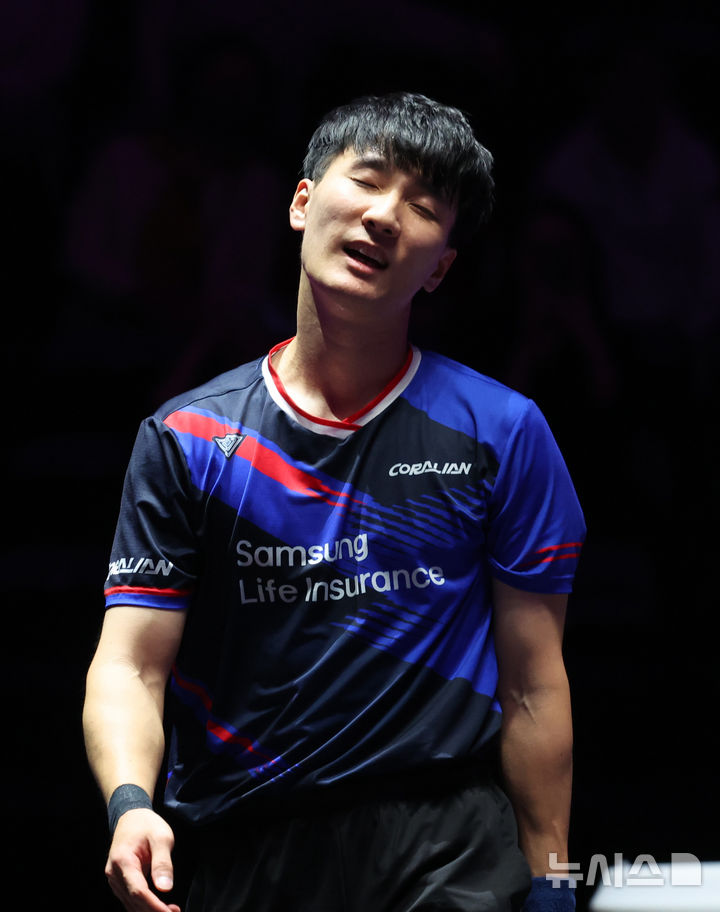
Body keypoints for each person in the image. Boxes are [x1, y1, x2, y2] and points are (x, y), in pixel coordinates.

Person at [83, 92, 585, 912]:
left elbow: (535, 685)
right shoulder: (188, 439)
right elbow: (131, 665)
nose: (385, 216)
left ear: (441, 267)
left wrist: (553, 878)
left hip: (445, 845)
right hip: (247, 844)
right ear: (302, 202)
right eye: (369, 180)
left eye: (423, 209)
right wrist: (131, 804)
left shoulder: (502, 432)